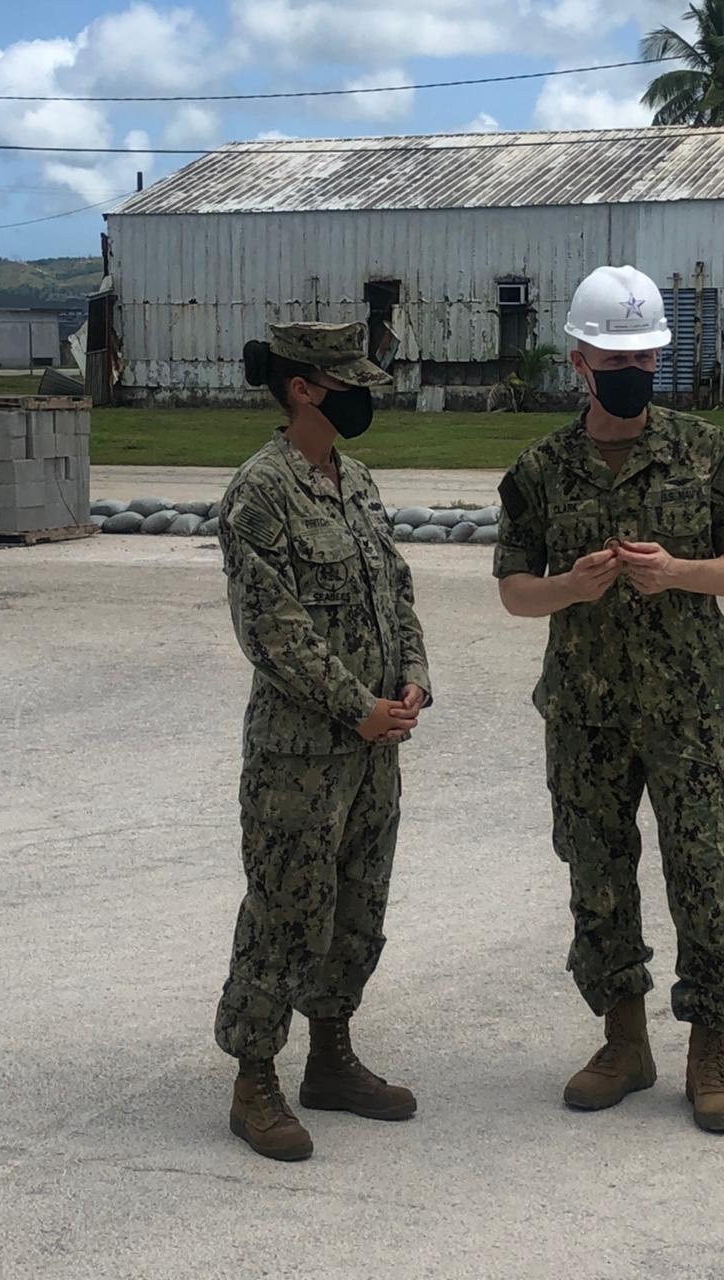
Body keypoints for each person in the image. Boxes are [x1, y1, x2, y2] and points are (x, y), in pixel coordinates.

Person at [495, 265, 724, 1134]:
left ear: (658, 357)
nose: (631, 371)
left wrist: (679, 573)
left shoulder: (706, 451)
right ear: (579, 361)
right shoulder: (539, 470)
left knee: (702, 870)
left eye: (645, 357)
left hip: (686, 707)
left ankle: (710, 1049)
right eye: (614, 357)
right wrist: (569, 588)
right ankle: (623, 1040)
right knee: (599, 875)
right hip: (585, 711)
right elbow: (512, 589)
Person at [213, 320, 431, 1162]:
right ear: (304, 387)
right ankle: (254, 1078)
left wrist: (411, 677)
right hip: (301, 754)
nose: (362, 393)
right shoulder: (258, 493)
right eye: (348, 381)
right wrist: (356, 706)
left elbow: (395, 591)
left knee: (356, 905)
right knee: (285, 910)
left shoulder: (358, 480)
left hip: (374, 747)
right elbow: (274, 631)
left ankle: (330, 1058)